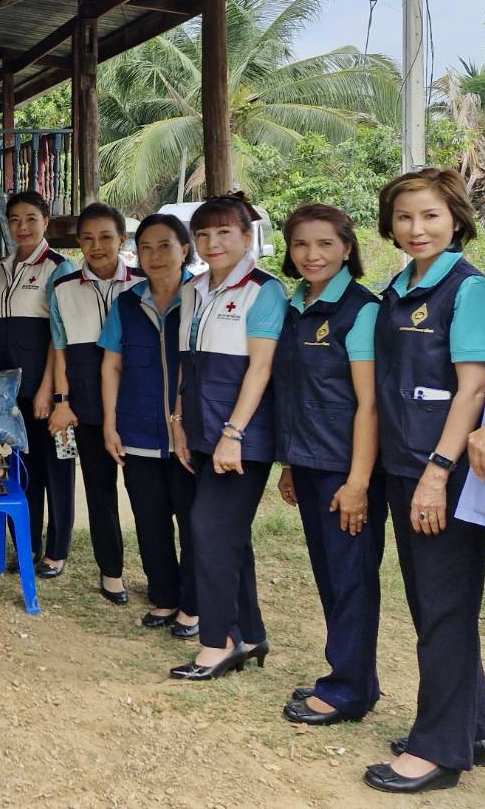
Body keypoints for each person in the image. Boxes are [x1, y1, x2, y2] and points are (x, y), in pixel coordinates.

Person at [362, 169, 485, 794]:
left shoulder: (469, 290)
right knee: (434, 605)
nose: (417, 228)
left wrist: (438, 475)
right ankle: (473, 724)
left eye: (431, 216)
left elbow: (471, 390)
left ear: (456, 219)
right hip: (401, 463)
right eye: (405, 217)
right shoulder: (398, 287)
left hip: (442, 472)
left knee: (443, 607)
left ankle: (438, 750)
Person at [272, 205, 384, 728]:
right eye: (300, 245)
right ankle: (356, 678)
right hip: (309, 463)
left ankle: (345, 690)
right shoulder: (295, 306)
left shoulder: (361, 309)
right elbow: (296, 393)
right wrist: (291, 464)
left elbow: (369, 404)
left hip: (346, 469)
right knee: (330, 576)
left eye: (324, 244)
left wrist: (358, 482)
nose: (312, 255)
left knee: (351, 578)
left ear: (346, 246)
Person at [168, 193, 286, 682]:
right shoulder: (193, 289)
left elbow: (260, 368)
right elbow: (184, 367)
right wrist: (177, 423)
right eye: (203, 234)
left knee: (209, 530)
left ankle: (218, 642)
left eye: (224, 233)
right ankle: (250, 633)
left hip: (241, 436)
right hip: (198, 429)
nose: (212, 243)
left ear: (245, 236)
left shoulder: (265, 290)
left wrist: (234, 432)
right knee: (227, 534)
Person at [99, 213, 198, 640]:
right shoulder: (127, 301)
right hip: (137, 428)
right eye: (146, 248)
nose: (155, 256)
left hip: (191, 433)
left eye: (165, 246)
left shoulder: (203, 296)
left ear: (185, 250)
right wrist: (110, 423)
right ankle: (165, 596)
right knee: (150, 517)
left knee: (194, 520)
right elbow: (112, 365)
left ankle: (195, 605)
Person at [47, 202, 140, 603]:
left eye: (106, 237)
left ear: (122, 239)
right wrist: (61, 400)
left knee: (149, 497)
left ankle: (163, 576)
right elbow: (60, 349)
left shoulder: (142, 282)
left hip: (140, 403)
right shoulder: (64, 289)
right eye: (87, 238)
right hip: (85, 402)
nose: (97, 246)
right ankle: (111, 572)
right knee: (100, 492)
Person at [0, 191, 74, 575]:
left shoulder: (59, 267)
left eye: (31, 219)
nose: (22, 227)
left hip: (46, 390)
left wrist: (50, 392)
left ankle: (56, 551)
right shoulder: (0, 268)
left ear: (46, 222)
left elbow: (61, 336)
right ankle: (25, 544)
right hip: (9, 392)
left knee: (56, 469)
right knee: (18, 472)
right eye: (15, 220)